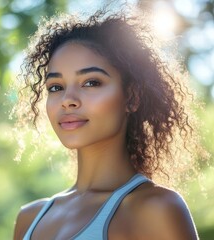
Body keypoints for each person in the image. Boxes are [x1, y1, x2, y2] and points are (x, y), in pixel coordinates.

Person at [12, 6, 206, 240]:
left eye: (91, 82)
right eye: (56, 87)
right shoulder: (29, 218)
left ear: (132, 97)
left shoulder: (156, 209)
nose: (68, 100)